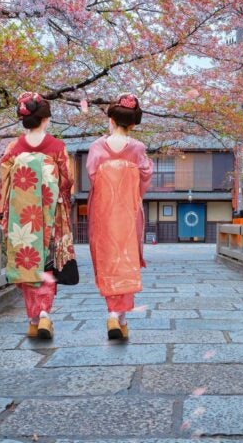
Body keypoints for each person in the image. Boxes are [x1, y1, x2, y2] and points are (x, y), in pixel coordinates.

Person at [0, 92, 73, 340]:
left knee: (26, 265)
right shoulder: (57, 147)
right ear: (46, 119)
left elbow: (4, 183)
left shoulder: (13, 149)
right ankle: (44, 316)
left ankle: (33, 318)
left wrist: (3, 212)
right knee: (47, 265)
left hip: (22, 219)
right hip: (49, 215)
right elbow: (67, 181)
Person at [86, 93, 153, 340]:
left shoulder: (96, 147)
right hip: (127, 212)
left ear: (111, 119)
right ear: (133, 123)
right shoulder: (137, 149)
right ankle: (119, 317)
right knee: (126, 258)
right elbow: (145, 176)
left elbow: (93, 175)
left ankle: (113, 314)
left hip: (103, 213)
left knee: (107, 258)